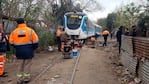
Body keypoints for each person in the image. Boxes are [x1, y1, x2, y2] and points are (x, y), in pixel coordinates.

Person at [9, 18, 39, 84]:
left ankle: (19, 79)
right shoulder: (30, 31)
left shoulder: (14, 32)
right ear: (24, 22)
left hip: (19, 51)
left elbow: (11, 42)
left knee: (20, 65)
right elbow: (36, 41)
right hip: (29, 51)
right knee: (27, 65)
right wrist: (33, 48)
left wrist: (16, 46)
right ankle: (26, 79)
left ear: (17, 23)